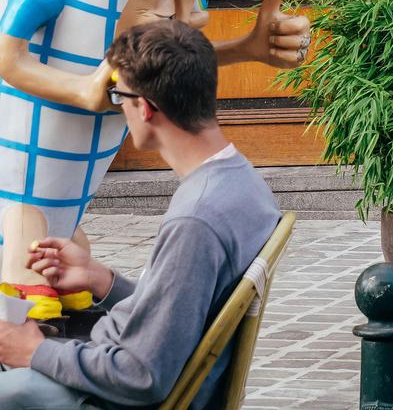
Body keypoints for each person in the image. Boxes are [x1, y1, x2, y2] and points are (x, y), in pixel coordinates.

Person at [0, 20, 281, 409]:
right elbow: (180, 315)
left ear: (145, 108)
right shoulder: (241, 183)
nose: (119, 107)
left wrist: (34, 352)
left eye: (119, 97)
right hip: (124, 366)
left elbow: (142, 375)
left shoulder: (196, 219)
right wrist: (102, 279)